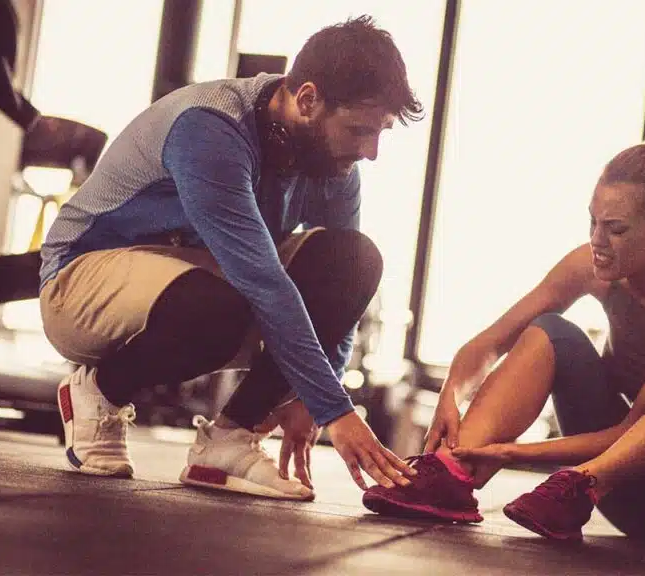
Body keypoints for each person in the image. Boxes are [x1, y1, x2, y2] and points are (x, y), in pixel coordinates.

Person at [39, 16, 419, 501]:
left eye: (380, 133)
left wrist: (311, 394)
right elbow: (263, 281)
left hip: (203, 279)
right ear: (307, 100)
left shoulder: (334, 165)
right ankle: (99, 390)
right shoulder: (210, 128)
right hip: (80, 283)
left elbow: (343, 293)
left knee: (354, 259)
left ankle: (229, 439)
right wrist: (335, 408)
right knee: (225, 301)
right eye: (359, 130)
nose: (371, 152)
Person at [363, 122, 645, 553]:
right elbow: (489, 343)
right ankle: (453, 477)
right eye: (593, 222)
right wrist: (453, 392)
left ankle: (570, 485)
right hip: (634, 503)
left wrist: (511, 454)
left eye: (616, 229)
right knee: (550, 332)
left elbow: (634, 431)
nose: (597, 241)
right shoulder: (593, 269)